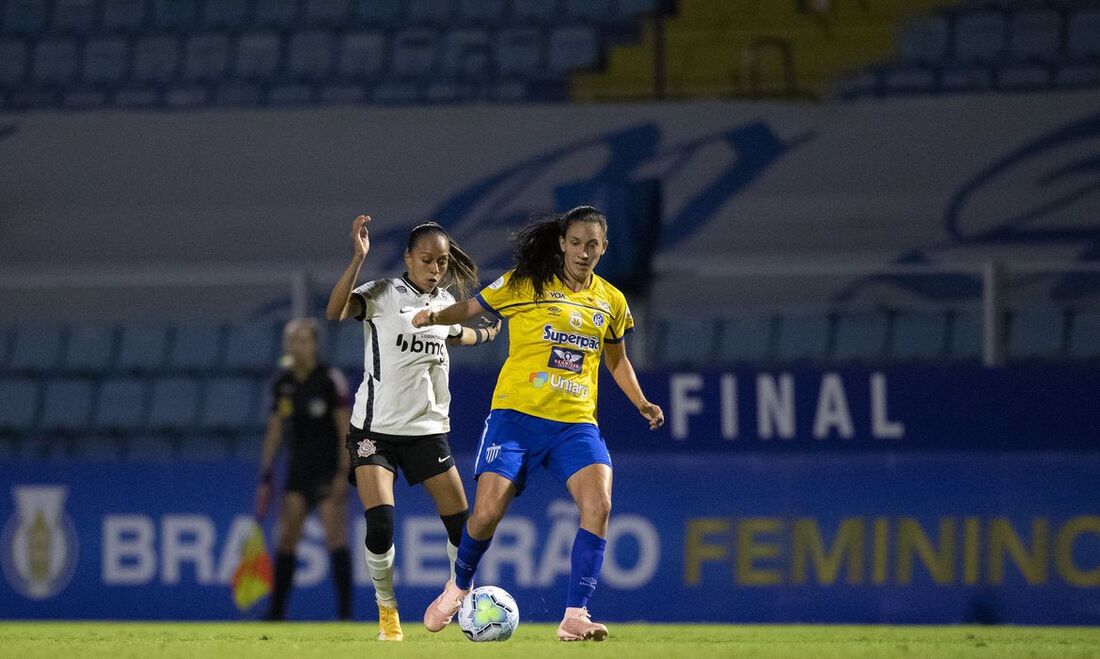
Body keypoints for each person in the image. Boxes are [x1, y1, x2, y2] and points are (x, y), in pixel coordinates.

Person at [414, 206, 665, 642]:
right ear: (561, 244)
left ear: (604, 247)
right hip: (516, 417)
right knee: (488, 513)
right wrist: (435, 317)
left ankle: (575, 615)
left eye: (592, 245)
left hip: (575, 425)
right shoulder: (525, 282)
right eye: (575, 243)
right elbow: (472, 307)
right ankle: (458, 585)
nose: (583, 252)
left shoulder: (611, 301)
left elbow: (617, 360)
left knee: (600, 505)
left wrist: (640, 401)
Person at [325, 215, 500, 641]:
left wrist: (489, 333)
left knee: (465, 526)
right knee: (381, 524)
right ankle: (388, 611)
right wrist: (359, 258)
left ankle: (463, 597)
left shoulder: (442, 306)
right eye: (427, 259)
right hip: (374, 431)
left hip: (426, 431)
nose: (436, 268)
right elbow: (335, 311)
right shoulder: (384, 294)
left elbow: (459, 335)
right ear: (408, 258)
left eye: (441, 261)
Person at [254, 318, 353, 621]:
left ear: (314, 344)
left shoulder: (329, 379)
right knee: (286, 540)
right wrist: (266, 475)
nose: (298, 345)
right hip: (298, 469)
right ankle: (276, 613)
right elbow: (275, 431)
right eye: (293, 340)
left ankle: (344, 616)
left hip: (327, 469)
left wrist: (344, 472)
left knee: (335, 538)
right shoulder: (282, 384)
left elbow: (345, 429)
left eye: (304, 340)